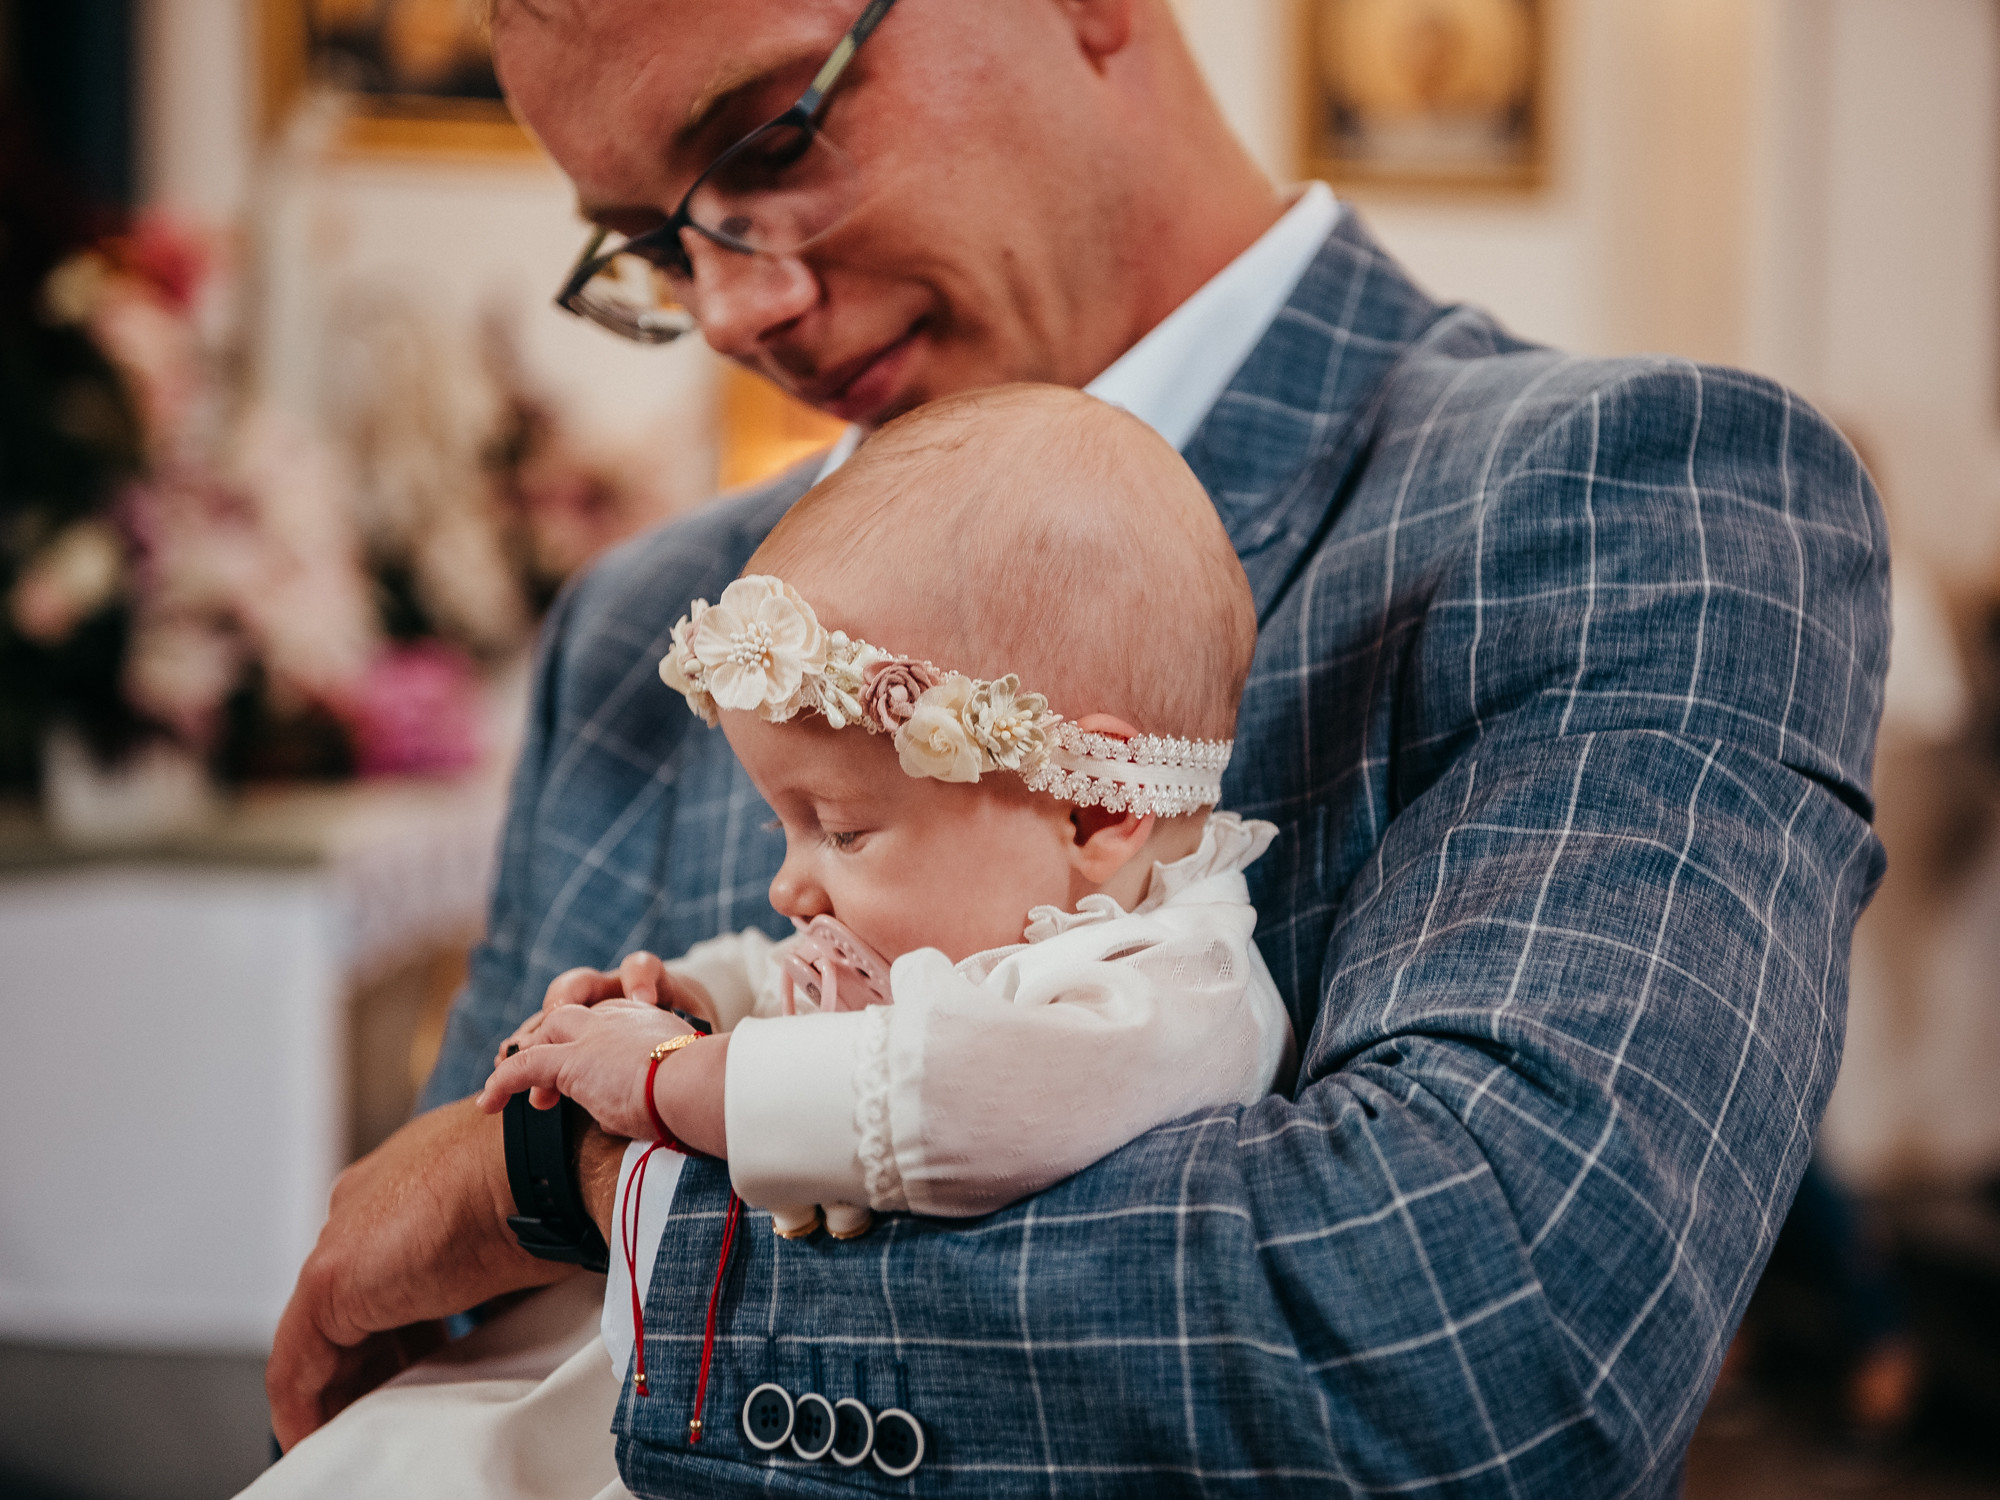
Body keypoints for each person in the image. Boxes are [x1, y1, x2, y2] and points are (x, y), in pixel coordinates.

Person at [266, 0, 1892, 1492]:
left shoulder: (1635, 496)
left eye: (772, 136)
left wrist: (583, 1184)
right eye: (646, 246)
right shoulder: (652, 624)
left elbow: (1471, 1355)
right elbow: (431, 1304)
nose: (736, 307)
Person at [479, 386, 1294, 1404]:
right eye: (782, 828)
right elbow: (830, 989)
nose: (786, 884)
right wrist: (695, 998)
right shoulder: (990, 923)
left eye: (842, 831)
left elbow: (943, 1089)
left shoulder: (1174, 996)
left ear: (1093, 815)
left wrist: (665, 1078)